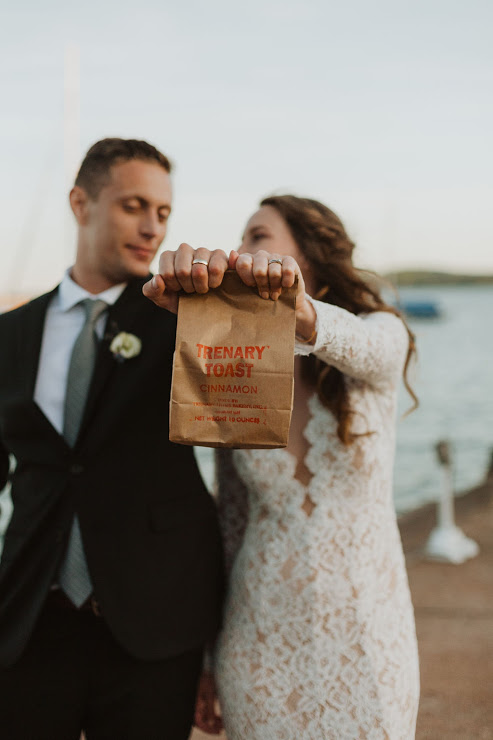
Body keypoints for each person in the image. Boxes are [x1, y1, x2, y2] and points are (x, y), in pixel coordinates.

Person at [145, 194, 420, 739]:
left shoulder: (380, 332)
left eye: (258, 236)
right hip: (259, 641)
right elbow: (230, 522)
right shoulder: (234, 375)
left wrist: (297, 310)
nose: (242, 250)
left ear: (310, 258)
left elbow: (373, 350)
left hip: (370, 635)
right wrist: (207, 660)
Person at [0, 137, 224, 740]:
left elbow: (241, 411)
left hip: (153, 629)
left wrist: (218, 304)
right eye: (133, 205)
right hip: (28, 623)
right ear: (81, 202)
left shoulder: (183, 322)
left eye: (163, 213)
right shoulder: (10, 333)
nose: (151, 227)